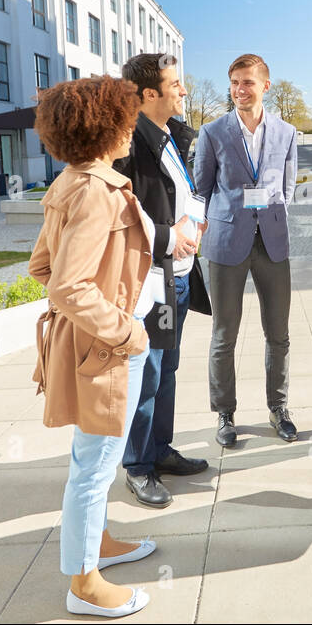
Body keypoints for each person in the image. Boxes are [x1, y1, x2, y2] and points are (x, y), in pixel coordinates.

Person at [29, 77, 159, 619]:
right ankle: (84, 584)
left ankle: (98, 543)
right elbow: (67, 284)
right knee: (95, 465)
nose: (132, 128)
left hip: (96, 345)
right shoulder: (97, 191)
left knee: (94, 461)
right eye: (127, 119)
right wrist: (126, 331)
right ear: (105, 126)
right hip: (108, 351)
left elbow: (42, 266)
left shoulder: (70, 182)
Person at [113, 53, 212, 508]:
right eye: (176, 84)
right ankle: (137, 465)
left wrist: (197, 219)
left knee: (166, 368)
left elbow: (183, 192)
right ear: (149, 94)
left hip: (177, 278)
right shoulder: (127, 146)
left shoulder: (172, 137)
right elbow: (118, 219)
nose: (183, 91)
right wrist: (172, 236)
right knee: (146, 374)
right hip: (149, 283)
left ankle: (160, 450)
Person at [193, 53, 299, 447]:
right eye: (234, 82)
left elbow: (287, 188)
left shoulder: (287, 132)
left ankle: (279, 408)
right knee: (224, 334)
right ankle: (225, 414)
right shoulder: (212, 132)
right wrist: (196, 232)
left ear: (265, 86)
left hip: (272, 242)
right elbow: (202, 189)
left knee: (279, 334)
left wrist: (273, 216)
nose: (240, 89)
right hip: (225, 242)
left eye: (248, 82)